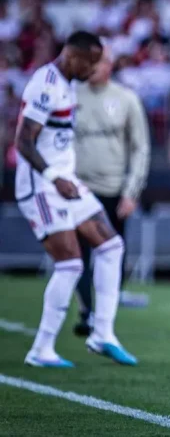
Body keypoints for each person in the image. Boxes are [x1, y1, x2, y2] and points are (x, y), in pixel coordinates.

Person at [15, 31, 138, 368]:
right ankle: (41, 349)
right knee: (70, 263)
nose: (96, 67)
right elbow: (23, 142)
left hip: (66, 184)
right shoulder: (46, 83)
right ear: (73, 55)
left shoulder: (67, 84)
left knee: (111, 246)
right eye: (92, 60)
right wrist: (54, 177)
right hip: (41, 187)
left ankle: (102, 334)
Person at [72, 42, 152, 338]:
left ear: (110, 65)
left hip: (113, 190)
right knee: (77, 254)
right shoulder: (71, 96)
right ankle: (86, 311)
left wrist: (132, 191)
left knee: (113, 253)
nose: (94, 66)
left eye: (100, 61)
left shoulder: (126, 99)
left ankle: (102, 315)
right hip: (79, 189)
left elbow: (140, 148)